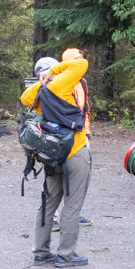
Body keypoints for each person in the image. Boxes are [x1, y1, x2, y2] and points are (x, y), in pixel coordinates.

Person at [22, 52, 93, 268]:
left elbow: (25, 99)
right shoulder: (60, 84)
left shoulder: (37, 92)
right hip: (75, 152)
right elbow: (81, 63)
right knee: (72, 206)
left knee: (47, 203)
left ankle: (41, 252)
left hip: (52, 156)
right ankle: (66, 254)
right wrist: (54, 71)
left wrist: (41, 80)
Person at [52, 48, 93, 232]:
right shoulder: (59, 82)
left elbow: (84, 110)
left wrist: (87, 132)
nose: (81, 62)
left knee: (80, 176)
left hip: (80, 136)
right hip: (60, 136)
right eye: (77, 59)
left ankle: (72, 214)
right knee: (56, 178)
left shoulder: (82, 82)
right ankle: (53, 217)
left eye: (81, 58)